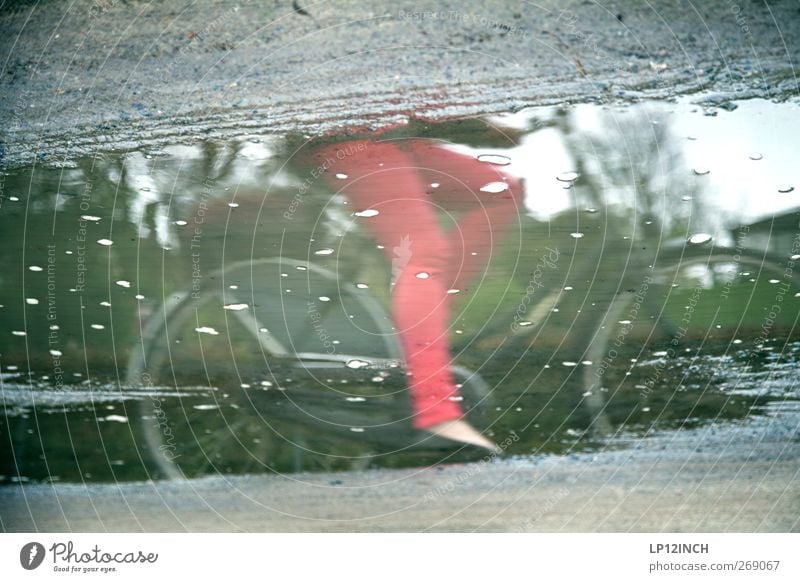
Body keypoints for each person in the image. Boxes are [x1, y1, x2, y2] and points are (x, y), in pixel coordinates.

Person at [305, 125, 523, 452]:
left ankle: (426, 328)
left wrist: (477, 126)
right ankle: (436, 414)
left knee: (503, 191)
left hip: (406, 143)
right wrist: (479, 127)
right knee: (423, 251)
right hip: (355, 141)